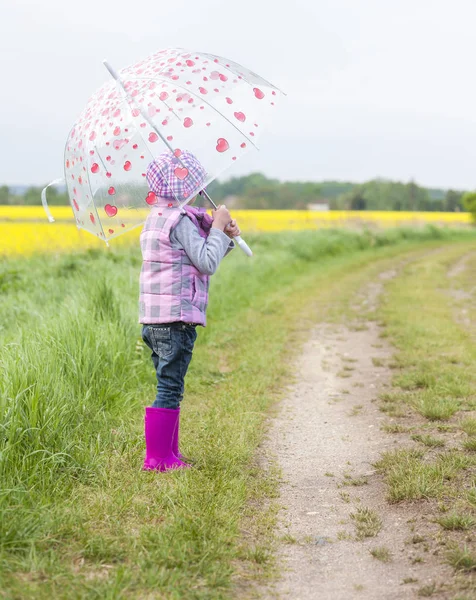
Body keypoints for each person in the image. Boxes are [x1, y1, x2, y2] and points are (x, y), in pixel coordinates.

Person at [140, 150, 240, 472]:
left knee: (168, 383)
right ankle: (157, 459)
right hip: (176, 318)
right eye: (196, 184)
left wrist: (220, 233)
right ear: (188, 188)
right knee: (170, 387)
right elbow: (206, 262)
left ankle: (169, 452)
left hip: (154, 319)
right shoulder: (180, 221)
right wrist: (218, 228)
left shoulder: (156, 217)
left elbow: (197, 256)